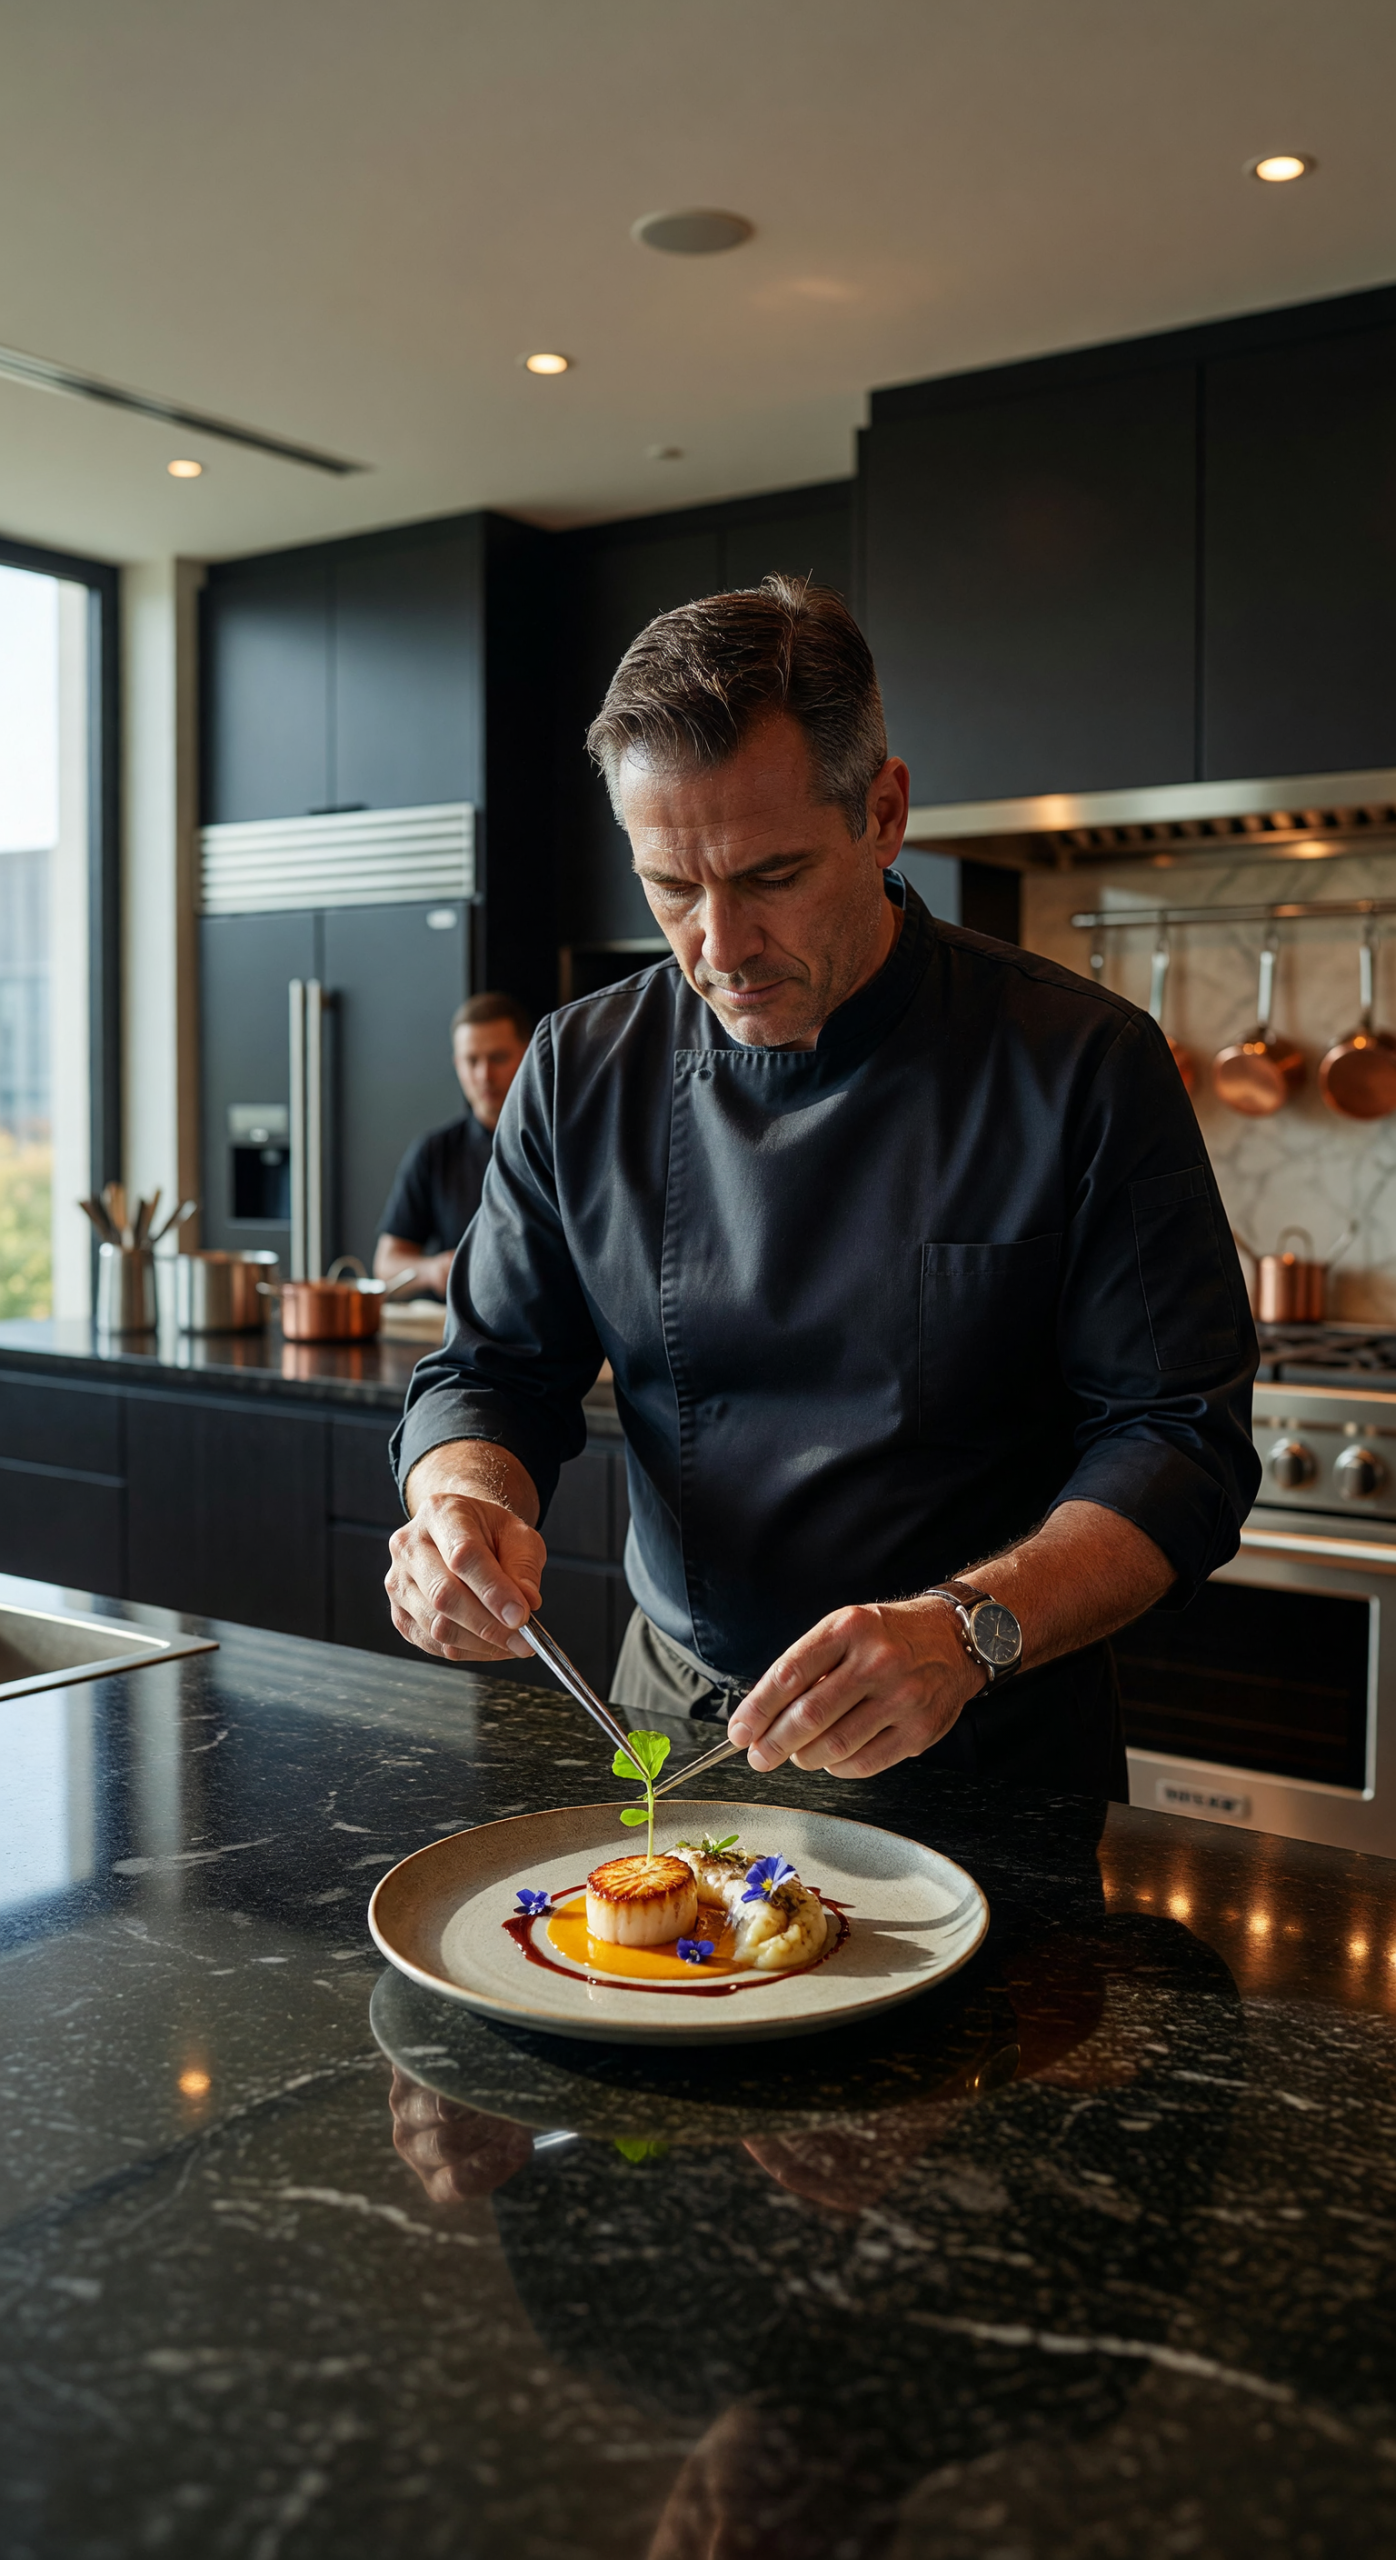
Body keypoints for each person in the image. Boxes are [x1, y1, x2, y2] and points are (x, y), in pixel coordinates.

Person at [385, 574, 1259, 1795]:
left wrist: (964, 1631)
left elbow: (1178, 1443)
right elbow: (487, 1372)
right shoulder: (579, 1069)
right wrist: (459, 1504)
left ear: (883, 812)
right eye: (672, 888)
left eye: (772, 875)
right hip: (672, 1727)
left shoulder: (1082, 1064)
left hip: (987, 1741)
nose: (720, 948)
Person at [373, 991, 531, 1300]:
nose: (484, 1075)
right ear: (457, 1064)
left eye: (498, 1058)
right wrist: (432, 1269)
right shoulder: (434, 1152)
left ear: (527, 1054)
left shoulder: (561, 1145)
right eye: (472, 1061)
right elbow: (386, 1264)